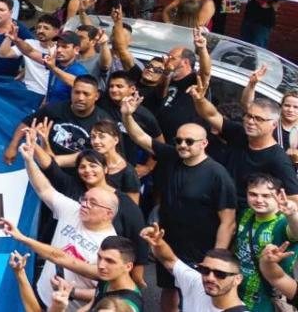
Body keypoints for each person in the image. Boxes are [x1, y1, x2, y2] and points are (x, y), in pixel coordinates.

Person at [122, 96, 236, 312]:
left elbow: (227, 221)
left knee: (201, 297)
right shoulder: (171, 155)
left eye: (189, 141)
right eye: (179, 140)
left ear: (204, 143)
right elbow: (140, 137)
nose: (182, 145)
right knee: (169, 289)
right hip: (169, 242)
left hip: (200, 249)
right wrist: (127, 114)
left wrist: (216, 257)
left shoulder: (217, 174)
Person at [16, 135, 119, 308]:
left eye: (92, 203)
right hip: (41, 295)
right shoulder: (73, 210)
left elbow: (109, 291)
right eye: (84, 200)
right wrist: (29, 160)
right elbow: (44, 189)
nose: (84, 205)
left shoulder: (110, 246)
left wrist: (72, 293)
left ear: (108, 214)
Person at [189, 78, 298, 207]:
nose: (251, 122)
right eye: (249, 116)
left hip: (244, 216)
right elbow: (212, 115)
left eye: (259, 119)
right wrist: (200, 99)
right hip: (215, 202)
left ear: (274, 124)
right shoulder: (239, 133)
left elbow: (293, 199)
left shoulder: (278, 159)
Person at [1, 218, 143, 312]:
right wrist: (21, 239)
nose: (101, 265)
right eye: (99, 258)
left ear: (128, 266)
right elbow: (61, 257)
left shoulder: (126, 305)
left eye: (110, 261)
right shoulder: (107, 277)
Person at [140, 224, 247, 312]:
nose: (210, 278)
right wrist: (158, 242)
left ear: (238, 279)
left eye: (220, 274)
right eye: (205, 270)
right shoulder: (196, 283)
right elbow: (170, 261)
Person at [233, 174, 298, 311]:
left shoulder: (283, 222)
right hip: (237, 294)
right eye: (253, 194)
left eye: (266, 196)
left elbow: (295, 232)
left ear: (279, 197)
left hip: (265, 299)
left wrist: (292, 215)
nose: (258, 200)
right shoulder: (246, 214)